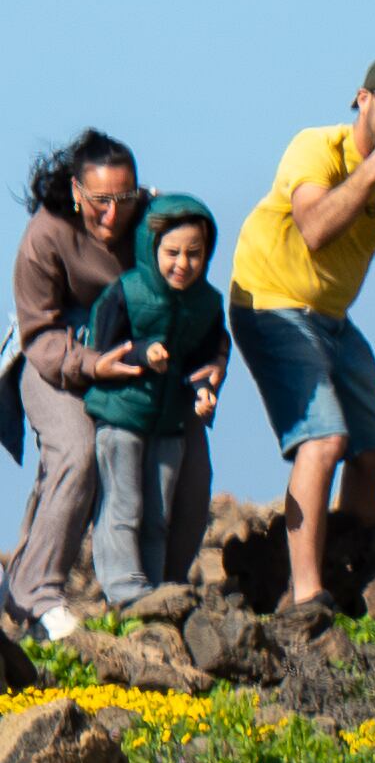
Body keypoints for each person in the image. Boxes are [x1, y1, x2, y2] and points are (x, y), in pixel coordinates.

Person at [231, 57, 375, 615]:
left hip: (331, 316)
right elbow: (314, 229)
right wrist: (373, 170)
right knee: (324, 441)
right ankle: (306, 593)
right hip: (270, 300)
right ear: (362, 100)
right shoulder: (318, 147)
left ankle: (352, 561)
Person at [9, 132, 144, 640]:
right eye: (100, 202)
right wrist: (91, 365)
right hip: (50, 359)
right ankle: (41, 595)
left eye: (124, 200)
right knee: (75, 451)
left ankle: (22, 591)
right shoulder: (46, 235)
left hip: (124, 357)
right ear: (75, 192)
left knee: (139, 453)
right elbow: (38, 333)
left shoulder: (149, 223)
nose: (113, 215)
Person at [77, 195, 220, 610]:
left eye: (195, 254)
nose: (183, 264)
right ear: (151, 248)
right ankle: (123, 590)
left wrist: (203, 392)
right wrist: (143, 352)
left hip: (170, 424)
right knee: (123, 504)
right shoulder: (125, 291)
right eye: (172, 252)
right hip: (120, 417)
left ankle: (152, 591)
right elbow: (100, 347)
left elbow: (203, 361)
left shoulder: (208, 304)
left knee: (159, 513)